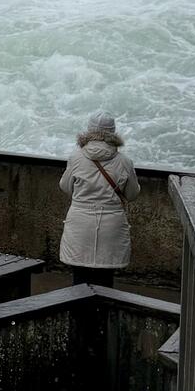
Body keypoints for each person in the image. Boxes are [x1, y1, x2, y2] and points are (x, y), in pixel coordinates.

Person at [58, 112, 140, 284]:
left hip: (80, 224)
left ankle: (78, 311)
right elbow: (132, 194)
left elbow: (65, 187)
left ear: (89, 131)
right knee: (105, 278)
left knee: (79, 277)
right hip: (112, 225)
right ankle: (102, 310)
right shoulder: (124, 162)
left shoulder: (76, 158)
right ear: (113, 132)